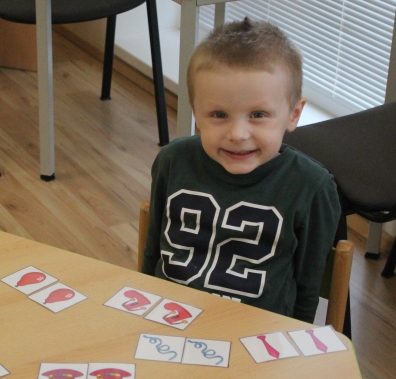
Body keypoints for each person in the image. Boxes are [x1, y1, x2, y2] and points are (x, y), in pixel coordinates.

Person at [141, 18, 341, 322]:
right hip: (168, 321)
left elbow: (307, 287)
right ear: (196, 113)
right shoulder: (172, 161)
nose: (237, 134)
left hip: (256, 334)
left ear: (293, 114)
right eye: (219, 114)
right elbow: (152, 253)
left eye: (258, 114)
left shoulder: (312, 186)